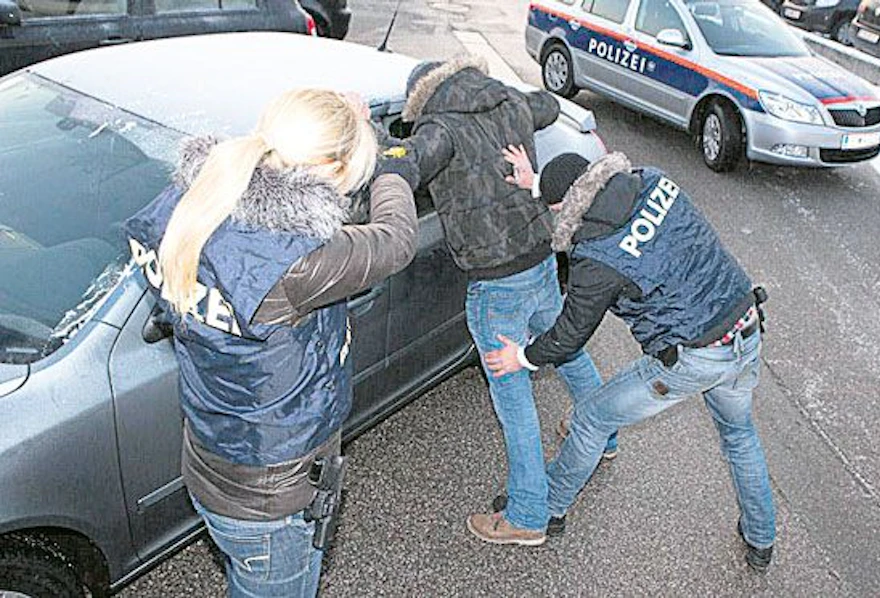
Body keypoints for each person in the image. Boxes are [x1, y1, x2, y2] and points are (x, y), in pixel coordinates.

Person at [124, 88, 419, 596]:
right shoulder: (298, 260)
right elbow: (396, 241)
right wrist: (392, 169)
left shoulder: (193, 201)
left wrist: (343, 128)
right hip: (271, 496)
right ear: (330, 169)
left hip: (209, 457)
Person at [485, 151, 777, 571]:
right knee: (739, 435)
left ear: (564, 206)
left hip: (693, 354)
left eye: (556, 209)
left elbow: (569, 335)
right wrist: (537, 183)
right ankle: (761, 539)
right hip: (744, 324)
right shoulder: (651, 180)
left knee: (591, 418)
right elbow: (583, 194)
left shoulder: (595, 257)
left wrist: (522, 357)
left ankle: (548, 508)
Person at [399, 57, 610, 546]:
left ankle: (528, 513)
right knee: (567, 349)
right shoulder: (510, 99)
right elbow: (547, 106)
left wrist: (367, 139)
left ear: (422, 99)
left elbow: (403, 166)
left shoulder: (439, 129)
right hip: (538, 255)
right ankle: (604, 434)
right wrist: (509, 103)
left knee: (513, 396)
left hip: (496, 281)